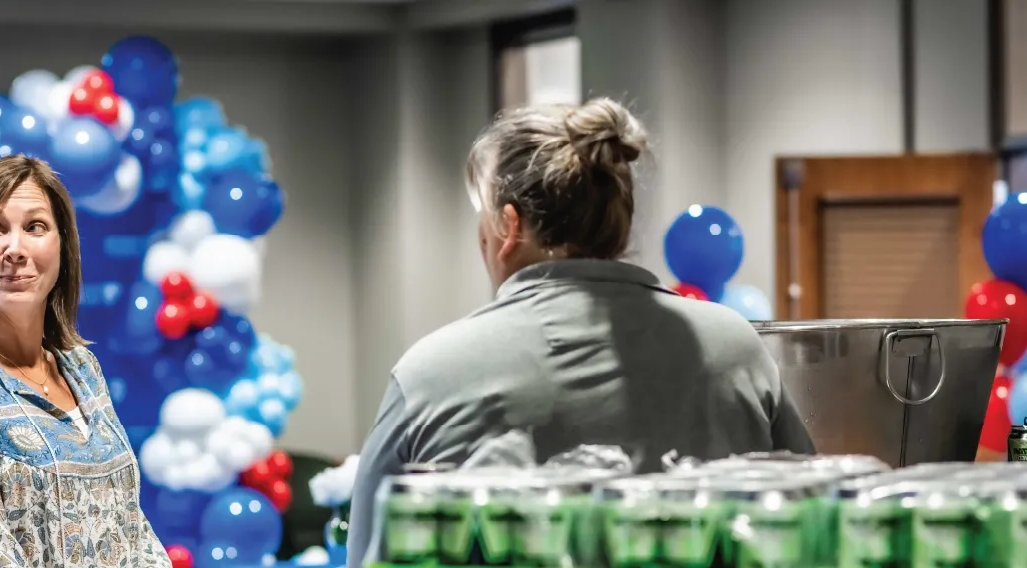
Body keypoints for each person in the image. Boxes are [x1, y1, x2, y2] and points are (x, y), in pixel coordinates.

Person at [345, 98, 816, 568]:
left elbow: (368, 554)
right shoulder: (735, 349)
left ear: (509, 226)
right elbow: (812, 527)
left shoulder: (430, 373)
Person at [0, 154, 171, 567]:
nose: (15, 249)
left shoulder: (81, 367)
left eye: (35, 227)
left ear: (62, 246)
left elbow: (130, 523)